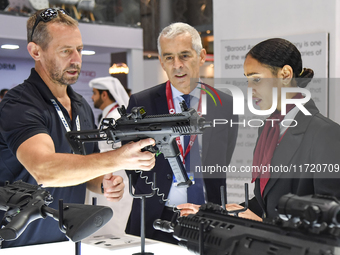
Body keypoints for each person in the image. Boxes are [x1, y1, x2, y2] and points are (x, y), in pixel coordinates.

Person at [0, 8, 155, 248]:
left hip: (65, 241)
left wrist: (103, 181)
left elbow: (83, 168)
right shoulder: (19, 104)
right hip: (17, 244)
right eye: (65, 51)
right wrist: (117, 159)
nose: (76, 59)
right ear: (35, 51)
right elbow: (44, 169)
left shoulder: (81, 105)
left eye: (79, 50)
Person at [178, 38, 340, 222]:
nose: (249, 89)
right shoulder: (267, 129)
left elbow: (330, 222)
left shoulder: (326, 134)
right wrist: (220, 212)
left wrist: (265, 225)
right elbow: (267, 201)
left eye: (256, 79)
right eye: (248, 79)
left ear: (285, 74)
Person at [125, 22, 238, 244]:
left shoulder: (225, 104)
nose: (177, 65)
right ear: (161, 61)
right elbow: (131, 162)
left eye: (185, 55)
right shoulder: (142, 103)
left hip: (207, 218)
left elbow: (222, 160)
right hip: (155, 216)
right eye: (169, 57)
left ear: (202, 56)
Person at [87, 76, 132, 236]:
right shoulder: (109, 116)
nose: (92, 97)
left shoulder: (115, 119)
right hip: (108, 181)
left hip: (116, 181)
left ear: (104, 95)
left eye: (94, 93)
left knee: (113, 229)